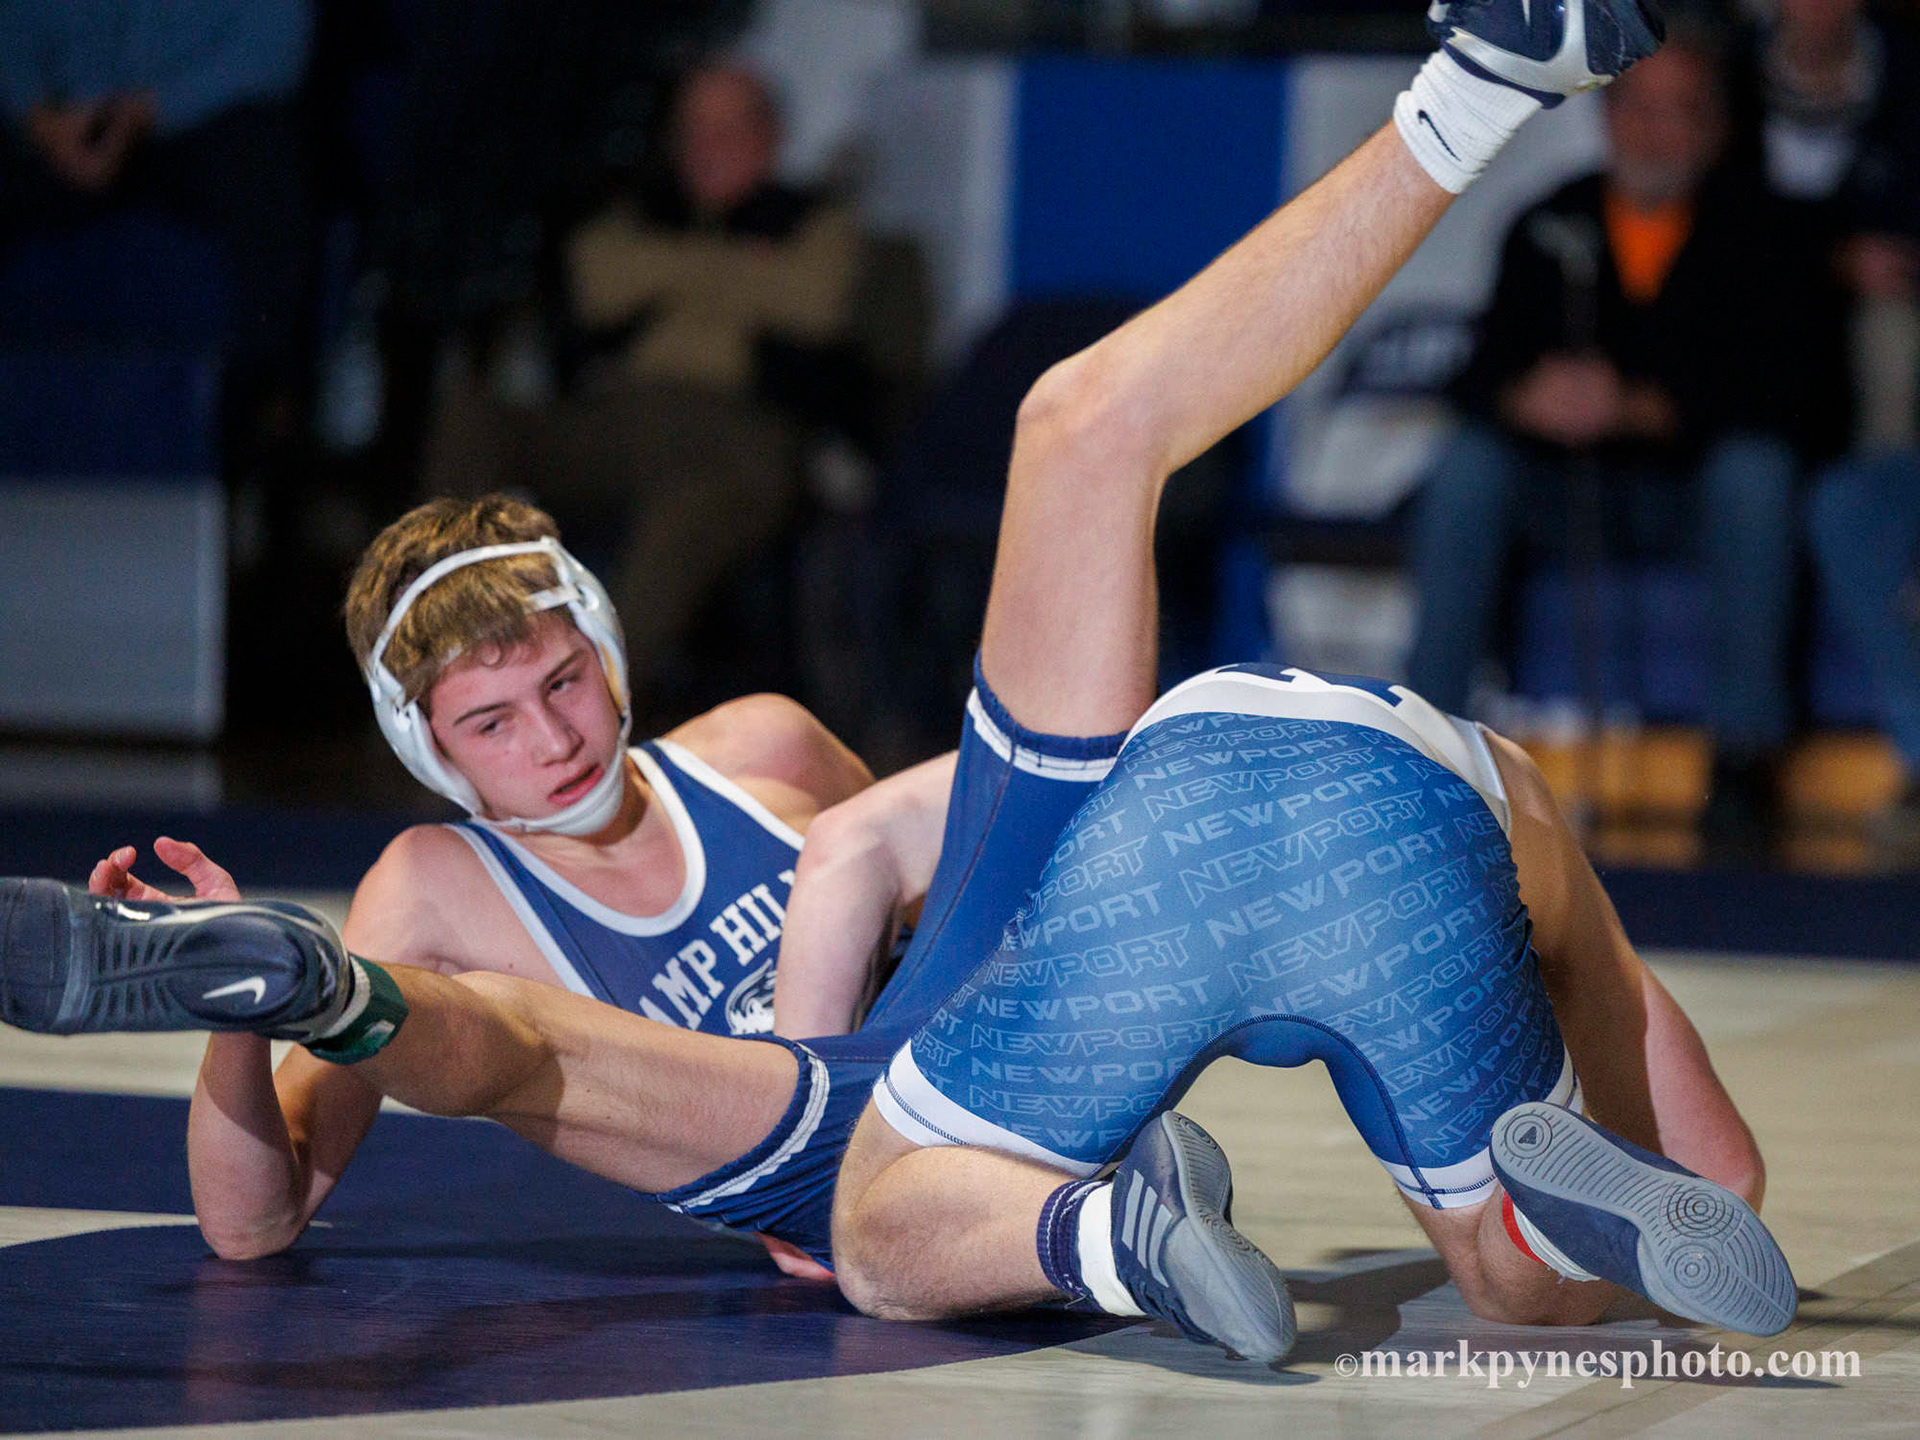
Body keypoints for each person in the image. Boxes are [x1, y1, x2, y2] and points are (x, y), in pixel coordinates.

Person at [0, 0, 1797, 1364]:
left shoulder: (756, 741)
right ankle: (308, 985)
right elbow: (250, 1234)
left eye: (562, 681)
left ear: (606, 648)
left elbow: (957, 887)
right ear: (426, 753)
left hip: (934, 1090)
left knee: (1079, 431)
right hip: (808, 1116)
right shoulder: (435, 880)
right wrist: (252, 1022)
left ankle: (1482, 77)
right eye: (492, 723)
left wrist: (1012, 927)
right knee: (510, 1029)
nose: (552, 737)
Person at [1403, 21, 1849, 854]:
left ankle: (1744, 762)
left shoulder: (1770, 231)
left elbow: (1804, 403)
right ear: (1607, 119)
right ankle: (1427, 747)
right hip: (1569, 492)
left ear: (1717, 124)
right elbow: (1476, 373)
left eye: (1682, 111)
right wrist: (1525, 396)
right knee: (1467, 465)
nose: (1656, 131)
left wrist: (1642, 407)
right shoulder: (1550, 220)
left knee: (1755, 474)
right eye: (1638, 109)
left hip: (1694, 497)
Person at [424, 61, 864, 711]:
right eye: (694, 130)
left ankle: (593, 696)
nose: (707, 148)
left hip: (738, 431)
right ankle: (434, 649)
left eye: (729, 129)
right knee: (474, 418)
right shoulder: (639, 209)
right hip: (615, 418)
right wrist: (740, 275)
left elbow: (815, 300)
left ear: (770, 137)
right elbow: (597, 279)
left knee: (689, 514)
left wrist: (667, 276)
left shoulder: (812, 220)